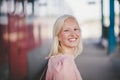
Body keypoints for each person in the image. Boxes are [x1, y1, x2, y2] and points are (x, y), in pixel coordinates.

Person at [46, 14, 83, 80]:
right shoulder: (65, 65)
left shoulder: (54, 60)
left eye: (75, 29)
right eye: (66, 30)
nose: (73, 34)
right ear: (58, 36)